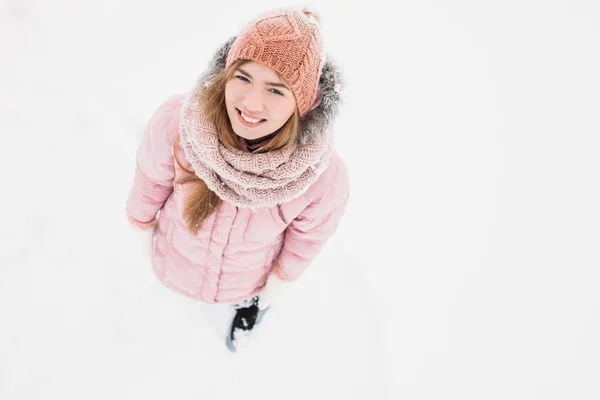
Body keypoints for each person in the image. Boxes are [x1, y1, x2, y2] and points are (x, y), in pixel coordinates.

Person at [126, 8, 349, 352]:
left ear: (301, 104)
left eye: (276, 91)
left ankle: (246, 312)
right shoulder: (180, 124)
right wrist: (141, 222)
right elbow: (150, 179)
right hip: (176, 254)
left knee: (246, 302)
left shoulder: (320, 178)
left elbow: (306, 239)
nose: (251, 104)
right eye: (243, 78)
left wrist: (280, 280)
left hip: (246, 280)